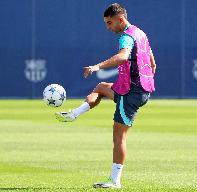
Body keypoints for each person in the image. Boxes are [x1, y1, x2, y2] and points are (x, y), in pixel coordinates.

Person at [55, 3, 156, 189]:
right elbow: (152, 61)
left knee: (119, 137)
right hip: (138, 88)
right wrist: (145, 81)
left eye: (109, 23)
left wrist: (97, 66)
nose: (108, 27)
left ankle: (115, 181)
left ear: (120, 19)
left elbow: (123, 56)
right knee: (101, 87)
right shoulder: (141, 33)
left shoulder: (126, 37)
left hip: (131, 92)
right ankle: (74, 114)